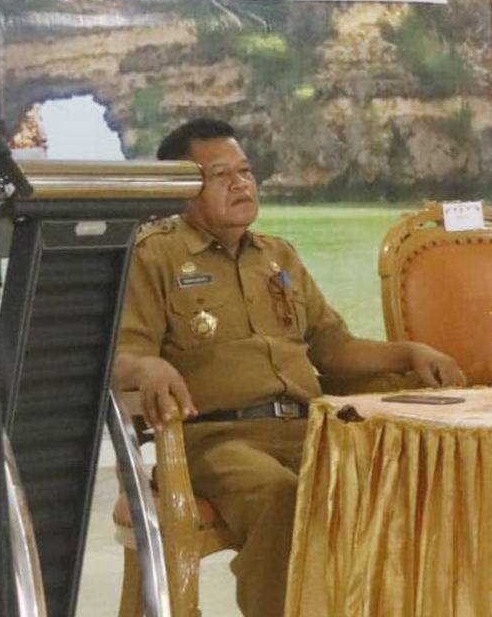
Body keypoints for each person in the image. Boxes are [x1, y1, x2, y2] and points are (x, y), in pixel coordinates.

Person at [114, 117, 465, 617]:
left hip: (309, 428)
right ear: (185, 189)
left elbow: (332, 347)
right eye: (221, 175)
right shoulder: (156, 257)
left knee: (407, 477)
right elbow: (119, 358)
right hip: (216, 440)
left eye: (246, 170)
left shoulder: (278, 256)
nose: (241, 183)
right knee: (284, 497)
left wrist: (409, 353)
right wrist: (148, 371)